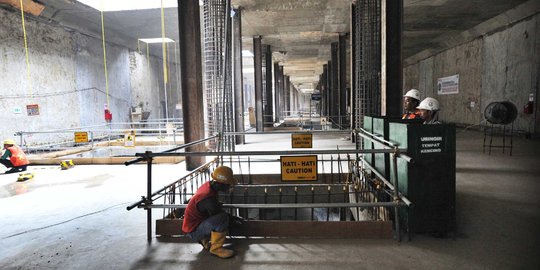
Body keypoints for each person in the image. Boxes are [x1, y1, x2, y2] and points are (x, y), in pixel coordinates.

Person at [182, 165, 237, 259]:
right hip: (194, 231)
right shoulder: (207, 198)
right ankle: (216, 249)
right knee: (223, 218)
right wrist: (232, 218)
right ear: (221, 183)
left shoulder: (208, 186)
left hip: (194, 226)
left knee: (222, 217)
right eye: (228, 185)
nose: (229, 187)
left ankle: (204, 239)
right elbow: (217, 214)